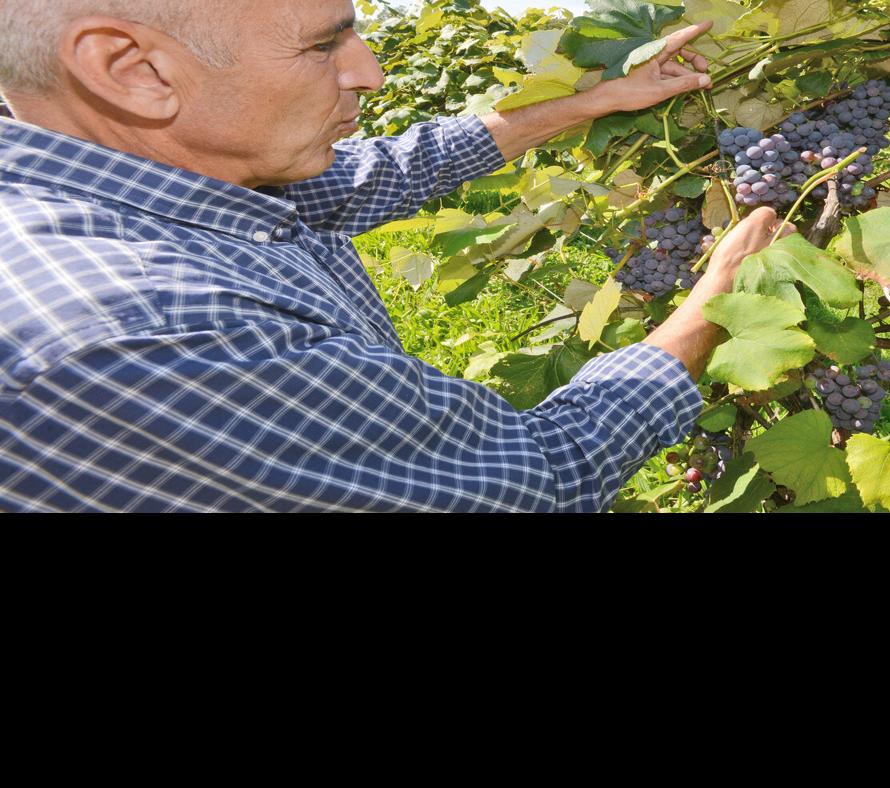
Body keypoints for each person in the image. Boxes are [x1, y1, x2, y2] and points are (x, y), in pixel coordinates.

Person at [0, 1, 788, 513]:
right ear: (130, 71)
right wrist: (715, 300)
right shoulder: (147, 336)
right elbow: (532, 481)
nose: (369, 73)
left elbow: (385, 172)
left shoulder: (134, 182)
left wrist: (589, 101)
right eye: (322, 45)